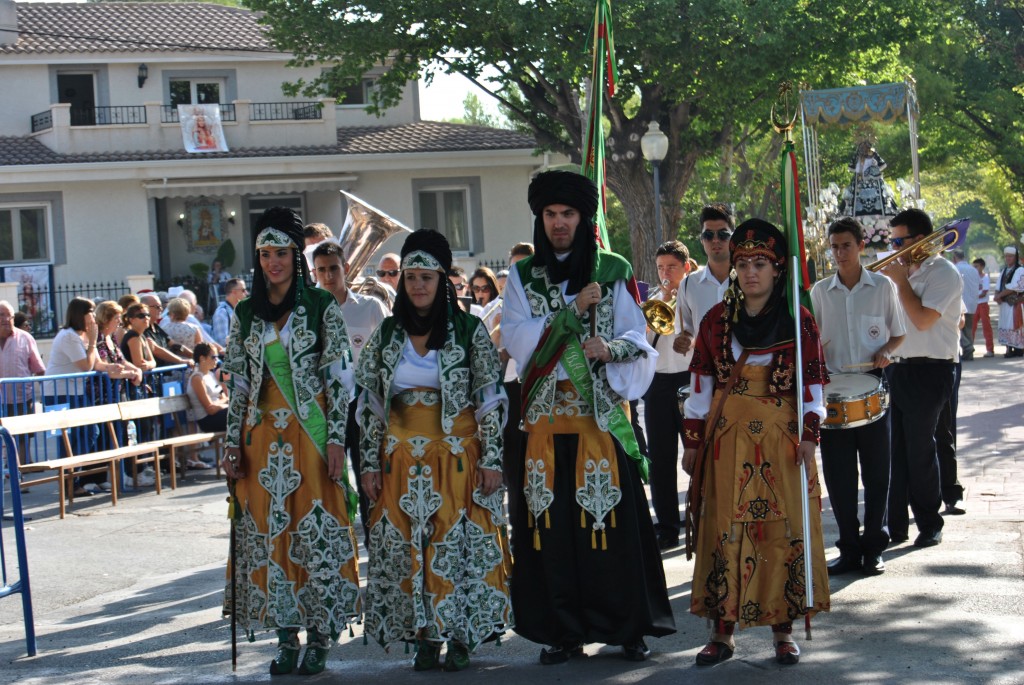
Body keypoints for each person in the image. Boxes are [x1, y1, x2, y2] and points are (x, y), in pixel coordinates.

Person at [503, 170, 674, 665]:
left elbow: (639, 339)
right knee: (551, 537)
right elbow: (516, 340)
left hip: (599, 422)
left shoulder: (612, 269)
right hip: (545, 428)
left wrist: (609, 347)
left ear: (584, 218)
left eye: (569, 214)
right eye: (551, 215)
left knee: (613, 531)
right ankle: (563, 630)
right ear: (541, 218)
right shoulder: (522, 276)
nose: (559, 224)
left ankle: (626, 628)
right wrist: (570, 311)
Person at [355, 229, 511, 671]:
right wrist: (368, 464)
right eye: (410, 277)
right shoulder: (387, 334)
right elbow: (367, 407)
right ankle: (425, 636)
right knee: (410, 550)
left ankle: (460, 636)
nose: (418, 285)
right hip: (400, 462)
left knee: (455, 548)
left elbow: (491, 400)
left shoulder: (469, 329)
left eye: (427, 276)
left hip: (457, 460)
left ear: (443, 280)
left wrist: (493, 459)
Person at [682, 219, 830, 666]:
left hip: (783, 443)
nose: (750, 272)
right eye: (743, 263)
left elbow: (814, 387)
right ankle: (721, 632)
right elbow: (699, 390)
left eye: (760, 263)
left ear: (778, 269)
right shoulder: (714, 322)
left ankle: (783, 631)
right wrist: (692, 444)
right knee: (725, 530)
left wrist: (809, 436)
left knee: (781, 532)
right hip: (727, 442)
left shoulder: (798, 320)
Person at [220, 206, 359, 676]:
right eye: (265, 253)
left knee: (314, 536)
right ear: (257, 258)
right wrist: (230, 442)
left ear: (295, 256)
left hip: (312, 438)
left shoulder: (320, 306)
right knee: (270, 538)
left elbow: (340, 378)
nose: (273, 262)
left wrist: (337, 438)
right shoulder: (245, 312)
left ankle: (320, 636)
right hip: (261, 443)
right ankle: (285, 636)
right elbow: (238, 382)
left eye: (281, 252)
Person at [810, 218, 905, 577]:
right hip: (833, 394)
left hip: (872, 386)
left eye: (846, 245)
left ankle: (874, 548)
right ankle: (848, 548)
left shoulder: (882, 287)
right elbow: (811, 341)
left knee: (878, 473)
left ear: (860, 245)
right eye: (834, 246)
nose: (839, 253)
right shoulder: (820, 291)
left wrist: (885, 351)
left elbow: (898, 334)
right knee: (839, 476)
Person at [880, 208, 963, 548]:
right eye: (892, 241)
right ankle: (894, 527)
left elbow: (923, 320)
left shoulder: (944, 272)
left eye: (899, 241)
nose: (894, 247)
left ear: (919, 241)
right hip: (898, 367)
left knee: (920, 448)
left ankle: (929, 522)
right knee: (892, 452)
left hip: (931, 369)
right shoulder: (902, 275)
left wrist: (899, 282)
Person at [312, 239, 389, 544]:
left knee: (368, 468)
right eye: (321, 270)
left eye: (333, 268)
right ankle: (336, 539)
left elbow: (388, 351)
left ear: (345, 268)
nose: (328, 275)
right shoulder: (308, 313)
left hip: (364, 401)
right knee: (329, 473)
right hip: (327, 404)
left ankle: (376, 536)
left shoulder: (370, 307)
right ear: (314, 273)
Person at [643, 240, 692, 551]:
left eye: (671, 267)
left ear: (685, 267)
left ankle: (700, 516)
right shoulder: (651, 301)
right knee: (660, 459)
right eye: (661, 268)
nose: (665, 273)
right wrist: (661, 301)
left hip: (690, 381)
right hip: (658, 384)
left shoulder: (694, 296)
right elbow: (644, 344)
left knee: (697, 453)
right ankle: (667, 526)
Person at [498, 242, 534, 526]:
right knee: (513, 470)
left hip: (534, 390)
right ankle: (518, 534)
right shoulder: (495, 309)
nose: (515, 274)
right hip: (509, 393)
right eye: (512, 268)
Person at [674, 203, 734, 360]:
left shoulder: (748, 281)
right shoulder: (687, 285)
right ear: (701, 240)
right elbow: (686, 330)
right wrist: (684, 340)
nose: (715, 240)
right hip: (704, 372)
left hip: (745, 372)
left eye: (723, 235)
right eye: (708, 235)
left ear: (733, 238)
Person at [0, 299, 45, 466]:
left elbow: (39, 369)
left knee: (22, 437)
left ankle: (19, 473)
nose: (6, 319)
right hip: (0, 400)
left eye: (9, 316)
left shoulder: (25, 338)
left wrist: (46, 393)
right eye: (1, 315)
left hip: (21, 398)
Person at [186, 342, 228, 443]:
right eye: (213, 357)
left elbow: (224, 398)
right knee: (241, 414)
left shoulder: (210, 375)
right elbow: (210, 409)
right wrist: (223, 404)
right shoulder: (197, 378)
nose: (216, 360)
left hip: (219, 414)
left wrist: (219, 405)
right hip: (207, 420)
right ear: (202, 358)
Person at [138, 293, 193, 367]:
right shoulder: (141, 329)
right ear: (145, 308)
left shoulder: (156, 327)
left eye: (160, 306)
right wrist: (181, 361)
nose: (161, 309)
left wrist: (194, 356)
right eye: (157, 307)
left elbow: (174, 345)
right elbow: (156, 350)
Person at [994, 245, 1024, 357]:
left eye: (1010, 256)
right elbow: (998, 286)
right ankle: (1008, 348)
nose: (1008, 258)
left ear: (1015, 257)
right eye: (1006, 256)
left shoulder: (1020, 270)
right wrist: (996, 296)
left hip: (1015, 303)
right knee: (1005, 325)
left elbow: (1014, 287)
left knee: (1014, 325)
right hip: (1004, 303)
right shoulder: (1004, 270)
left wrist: (999, 295)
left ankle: (1017, 348)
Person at [951, 249, 980, 361]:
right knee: (968, 328)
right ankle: (969, 349)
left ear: (954, 258)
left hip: (961, 302)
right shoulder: (973, 270)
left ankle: (968, 348)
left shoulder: (955, 268)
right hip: (972, 303)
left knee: (959, 328)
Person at [211, 278, 247, 348]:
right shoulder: (222, 313)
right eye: (243, 290)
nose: (246, 293)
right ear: (234, 292)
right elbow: (221, 343)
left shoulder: (239, 311)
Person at [970, 258, 995, 357]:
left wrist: (974, 295)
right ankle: (969, 349)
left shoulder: (985, 277)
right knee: (971, 327)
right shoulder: (973, 277)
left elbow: (984, 292)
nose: (975, 268)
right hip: (974, 305)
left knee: (986, 327)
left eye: (977, 266)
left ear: (982, 267)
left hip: (983, 304)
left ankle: (990, 349)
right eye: (974, 267)